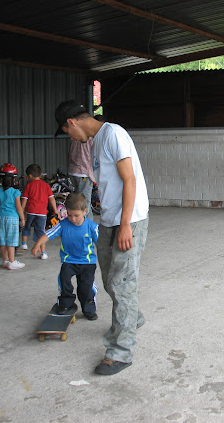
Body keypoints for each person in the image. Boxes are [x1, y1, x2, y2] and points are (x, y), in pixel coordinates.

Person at [54, 100, 149, 376]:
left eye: (67, 132)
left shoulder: (114, 134)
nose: (71, 138)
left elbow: (129, 180)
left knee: (121, 284)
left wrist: (125, 225)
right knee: (110, 280)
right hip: (109, 220)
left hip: (128, 220)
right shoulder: (96, 141)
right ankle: (132, 318)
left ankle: (120, 352)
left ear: (72, 123)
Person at [32, 192, 99, 320]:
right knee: (64, 280)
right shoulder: (63, 225)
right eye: (69, 215)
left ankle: (89, 308)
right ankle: (66, 303)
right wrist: (37, 245)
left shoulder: (92, 227)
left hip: (87, 262)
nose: (72, 218)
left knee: (85, 288)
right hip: (69, 261)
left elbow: (101, 244)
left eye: (76, 215)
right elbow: (48, 234)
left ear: (85, 211)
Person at [0, 163, 25, 270]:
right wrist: (22, 218)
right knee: (11, 241)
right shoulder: (16, 192)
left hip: (1, 218)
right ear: (14, 180)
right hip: (12, 219)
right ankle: (12, 261)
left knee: (3, 240)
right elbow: (18, 207)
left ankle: (5, 261)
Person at [19, 164, 59, 259]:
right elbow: (52, 199)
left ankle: (24, 243)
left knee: (26, 227)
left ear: (30, 176)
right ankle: (43, 253)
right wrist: (55, 210)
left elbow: (24, 200)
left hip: (30, 211)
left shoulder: (28, 186)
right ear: (40, 175)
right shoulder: (46, 185)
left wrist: (21, 212)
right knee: (41, 232)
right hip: (42, 213)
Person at [68, 136, 95, 217]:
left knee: (78, 200)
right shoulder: (90, 139)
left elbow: (69, 155)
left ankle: (90, 225)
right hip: (84, 173)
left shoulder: (75, 138)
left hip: (73, 171)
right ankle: (82, 225)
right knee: (84, 203)